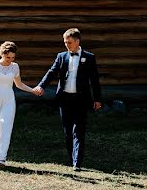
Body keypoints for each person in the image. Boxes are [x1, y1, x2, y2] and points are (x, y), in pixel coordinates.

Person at [36, 28, 102, 171]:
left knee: (79, 130)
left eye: (69, 42)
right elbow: (51, 72)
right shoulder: (61, 56)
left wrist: (97, 99)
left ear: (77, 41)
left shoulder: (89, 57)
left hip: (81, 99)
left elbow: (95, 80)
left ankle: (77, 163)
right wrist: (41, 86)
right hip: (64, 98)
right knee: (67, 131)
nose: (67, 45)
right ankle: (71, 158)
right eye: (65, 42)